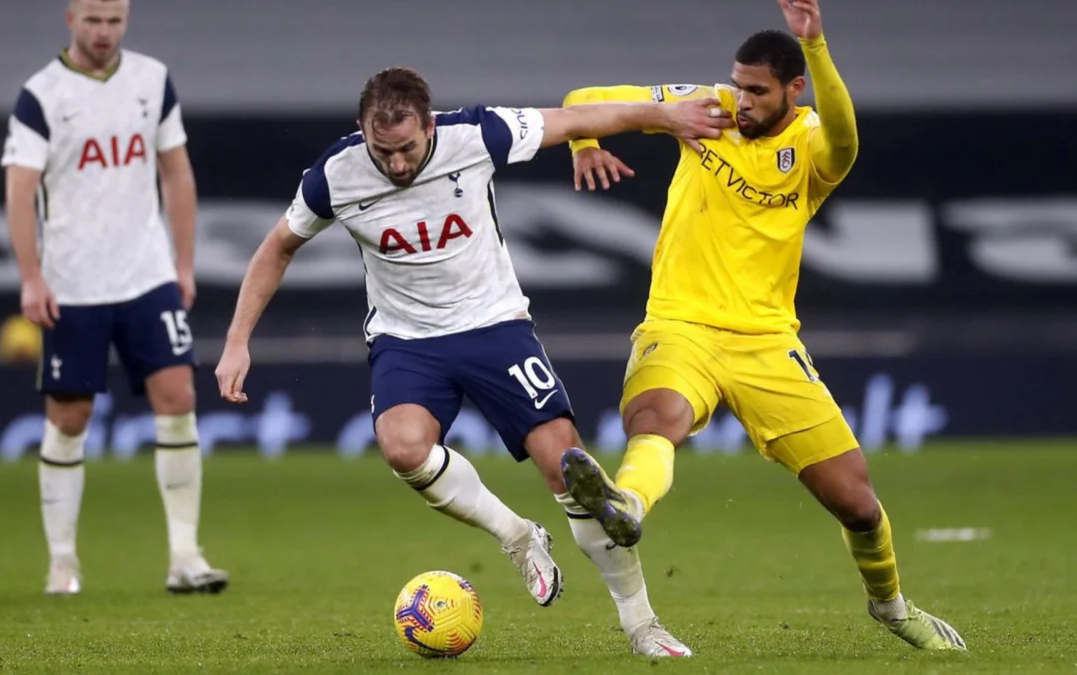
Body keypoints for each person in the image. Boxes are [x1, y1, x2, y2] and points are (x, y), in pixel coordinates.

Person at [214, 66, 730, 656]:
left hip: (494, 329)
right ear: (363, 131)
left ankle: (642, 626)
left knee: (571, 470)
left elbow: (578, 119)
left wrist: (663, 116)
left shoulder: (476, 135)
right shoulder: (336, 174)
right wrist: (237, 341)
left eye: (408, 148)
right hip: (407, 340)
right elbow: (277, 246)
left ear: (429, 126)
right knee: (402, 447)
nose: (398, 164)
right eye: (384, 151)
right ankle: (516, 536)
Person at [557, 0, 966, 651]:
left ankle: (890, 606)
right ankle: (625, 507)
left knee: (857, 503)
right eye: (736, 84)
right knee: (656, 416)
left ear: (792, 89)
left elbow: (846, 136)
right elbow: (585, 97)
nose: (738, 101)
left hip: (769, 344)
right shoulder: (705, 107)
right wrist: (585, 141)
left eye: (756, 90)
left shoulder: (809, 149)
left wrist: (818, 43)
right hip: (681, 324)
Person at [1, 0, 227, 595]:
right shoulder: (42, 94)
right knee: (70, 415)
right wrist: (32, 276)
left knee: (178, 393)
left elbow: (176, 173)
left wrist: (182, 261)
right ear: (70, 19)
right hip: (73, 283)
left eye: (115, 20)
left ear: (126, 20)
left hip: (146, 274)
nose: (104, 32)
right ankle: (63, 563)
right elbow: (20, 191)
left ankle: (186, 555)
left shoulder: (152, 80)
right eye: (93, 20)